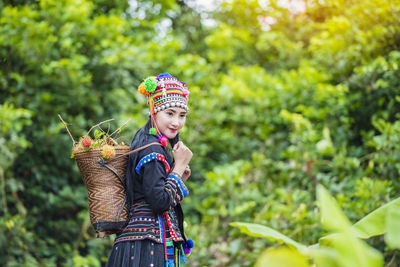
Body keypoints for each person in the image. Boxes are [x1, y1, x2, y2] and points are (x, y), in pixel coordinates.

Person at [106, 73, 194, 267]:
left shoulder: (145, 140)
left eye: (182, 115)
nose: (176, 122)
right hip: (147, 244)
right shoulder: (152, 148)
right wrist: (178, 168)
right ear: (154, 110)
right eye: (169, 113)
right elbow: (159, 201)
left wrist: (178, 176)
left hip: (136, 241)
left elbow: (151, 191)